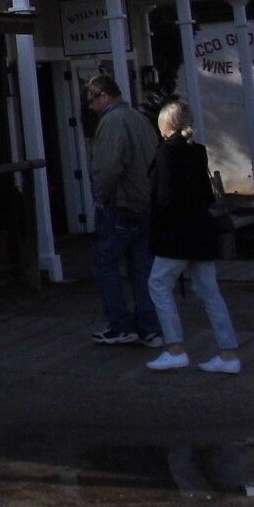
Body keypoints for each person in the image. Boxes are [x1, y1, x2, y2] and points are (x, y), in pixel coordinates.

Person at [142, 101, 242, 373]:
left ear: (166, 124)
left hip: (176, 233)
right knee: (210, 292)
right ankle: (229, 352)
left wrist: (157, 227)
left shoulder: (165, 152)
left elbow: (165, 197)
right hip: (201, 230)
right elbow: (206, 194)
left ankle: (174, 347)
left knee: (158, 284)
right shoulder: (197, 151)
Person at [85, 73, 163, 346]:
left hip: (122, 205)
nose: (91, 107)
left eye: (92, 100)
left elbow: (107, 167)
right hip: (145, 204)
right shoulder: (139, 119)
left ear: (104, 96)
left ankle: (120, 325)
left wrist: (101, 198)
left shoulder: (112, 121)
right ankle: (151, 328)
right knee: (142, 268)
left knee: (105, 263)